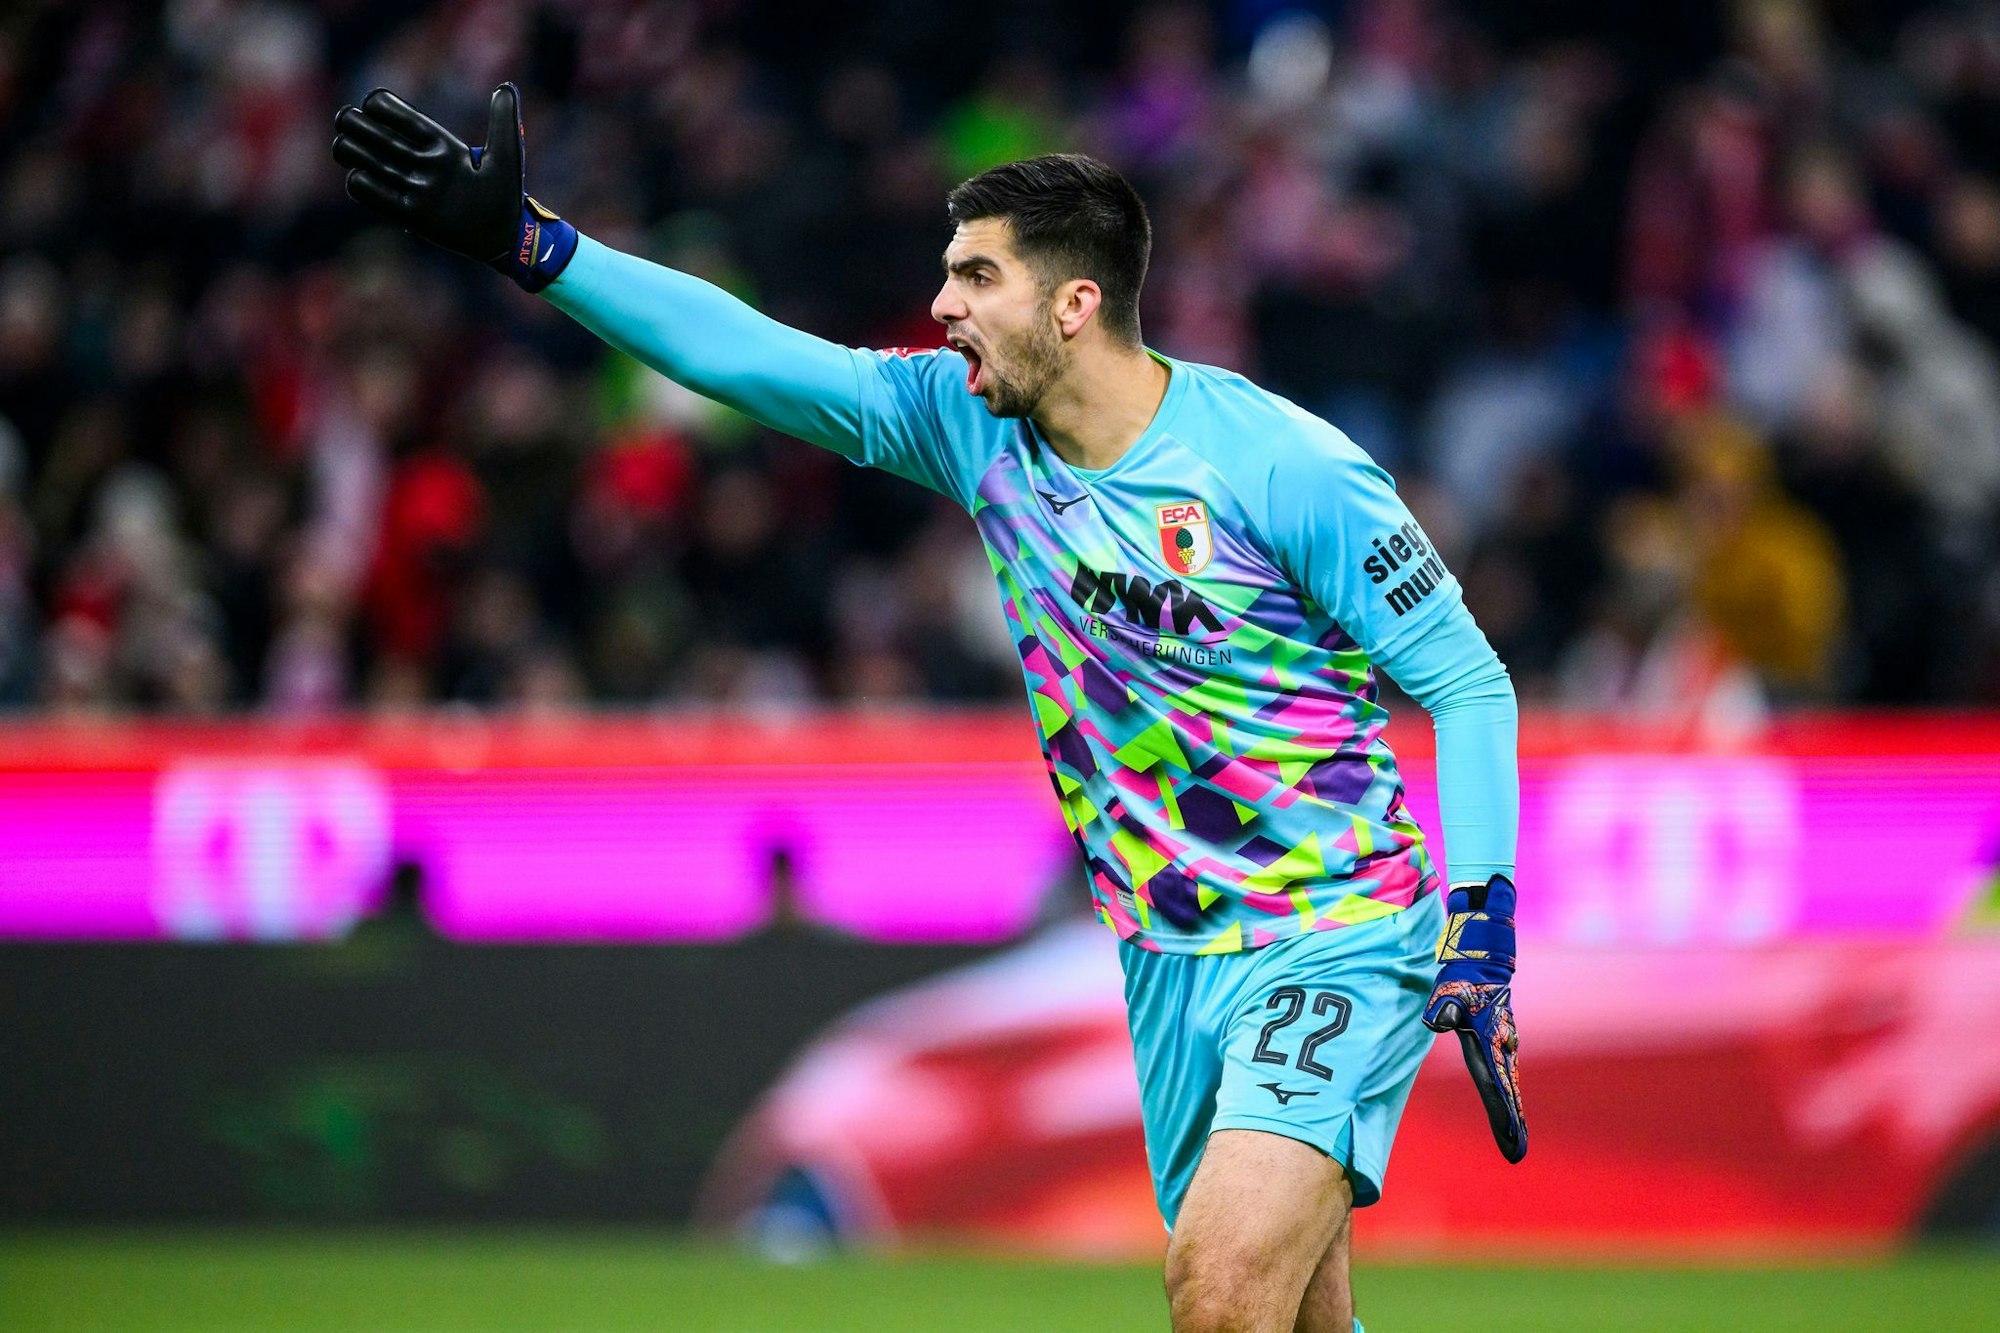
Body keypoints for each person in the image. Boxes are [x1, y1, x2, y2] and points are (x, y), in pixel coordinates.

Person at [333, 84, 1525, 1333]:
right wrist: (537, 248)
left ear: (1073, 305)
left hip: (1334, 928)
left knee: (1218, 1293)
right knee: (1287, 1316)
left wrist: (1479, 926)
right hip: (1165, 956)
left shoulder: (1285, 465)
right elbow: (742, 353)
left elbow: (1465, 681)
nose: (943, 305)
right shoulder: (967, 429)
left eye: (976, 277)